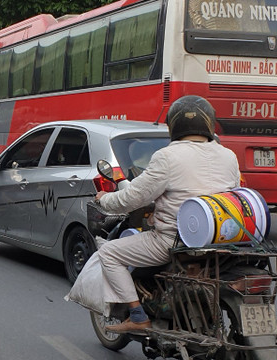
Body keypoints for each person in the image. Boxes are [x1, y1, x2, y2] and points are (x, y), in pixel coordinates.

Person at [96, 96, 242, 333]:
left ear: (173, 125)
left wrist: (105, 200)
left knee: (109, 252)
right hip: (221, 239)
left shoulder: (167, 157)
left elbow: (132, 198)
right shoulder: (228, 156)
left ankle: (137, 316)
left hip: (174, 241)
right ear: (209, 123)